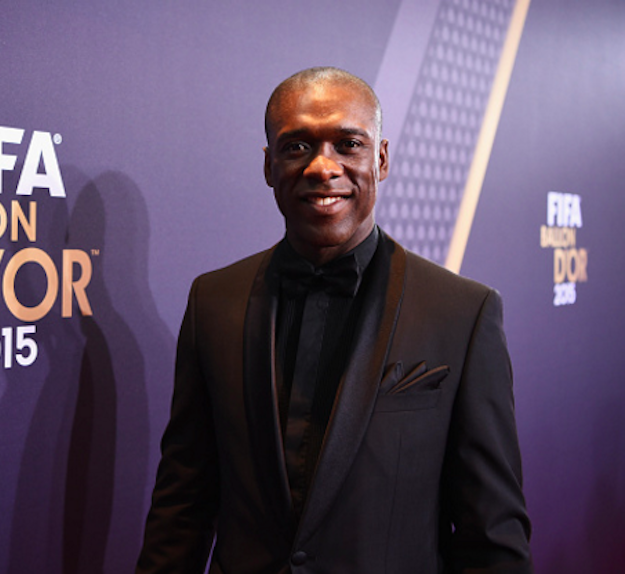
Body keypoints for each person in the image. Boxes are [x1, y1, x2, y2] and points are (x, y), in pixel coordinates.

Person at [136, 67, 532, 573]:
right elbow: (182, 505)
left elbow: (492, 533)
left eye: (348, 144)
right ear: (269, 165)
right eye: (297, 146)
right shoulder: (212, 302)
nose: (324, 167)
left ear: (380, 159)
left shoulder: (463, 313)